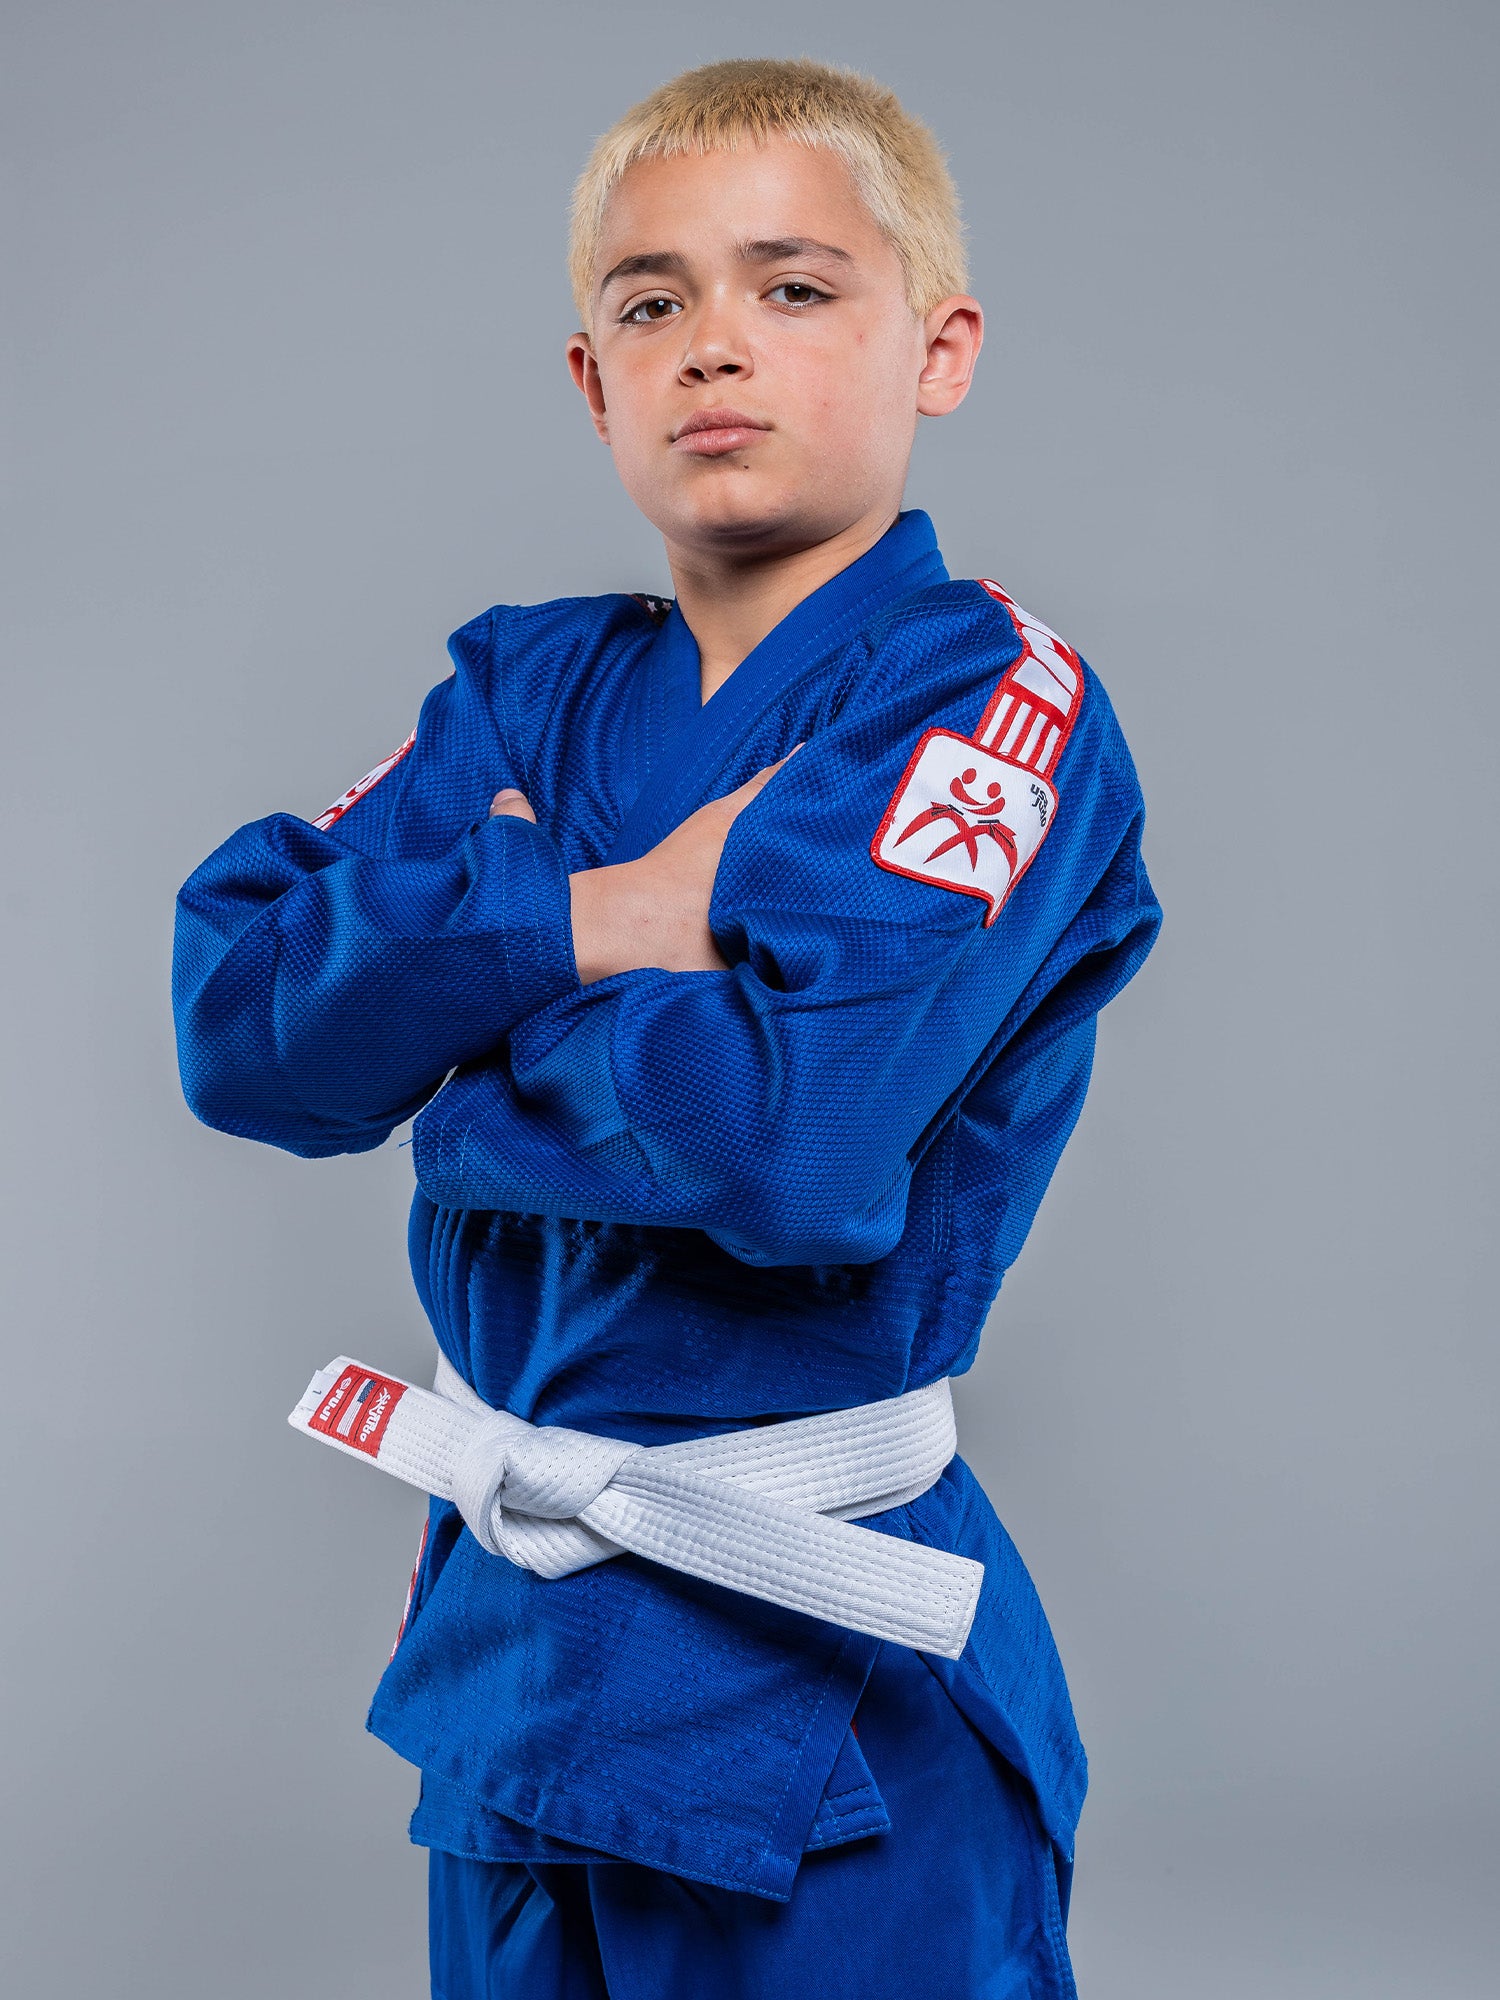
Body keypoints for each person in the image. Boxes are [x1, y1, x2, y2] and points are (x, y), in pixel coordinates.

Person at [174, 56, 1160, 2000]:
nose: (718, 345)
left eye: (795, 289)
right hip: (518, 1669)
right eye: (653, 302)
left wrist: (452, 1038)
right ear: (591, 379)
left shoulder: (987, 704)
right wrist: (607, 915)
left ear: (936, 347)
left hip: (822, 1692)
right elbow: (238, 1026)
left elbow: (797, 1147)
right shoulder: (526, 689)